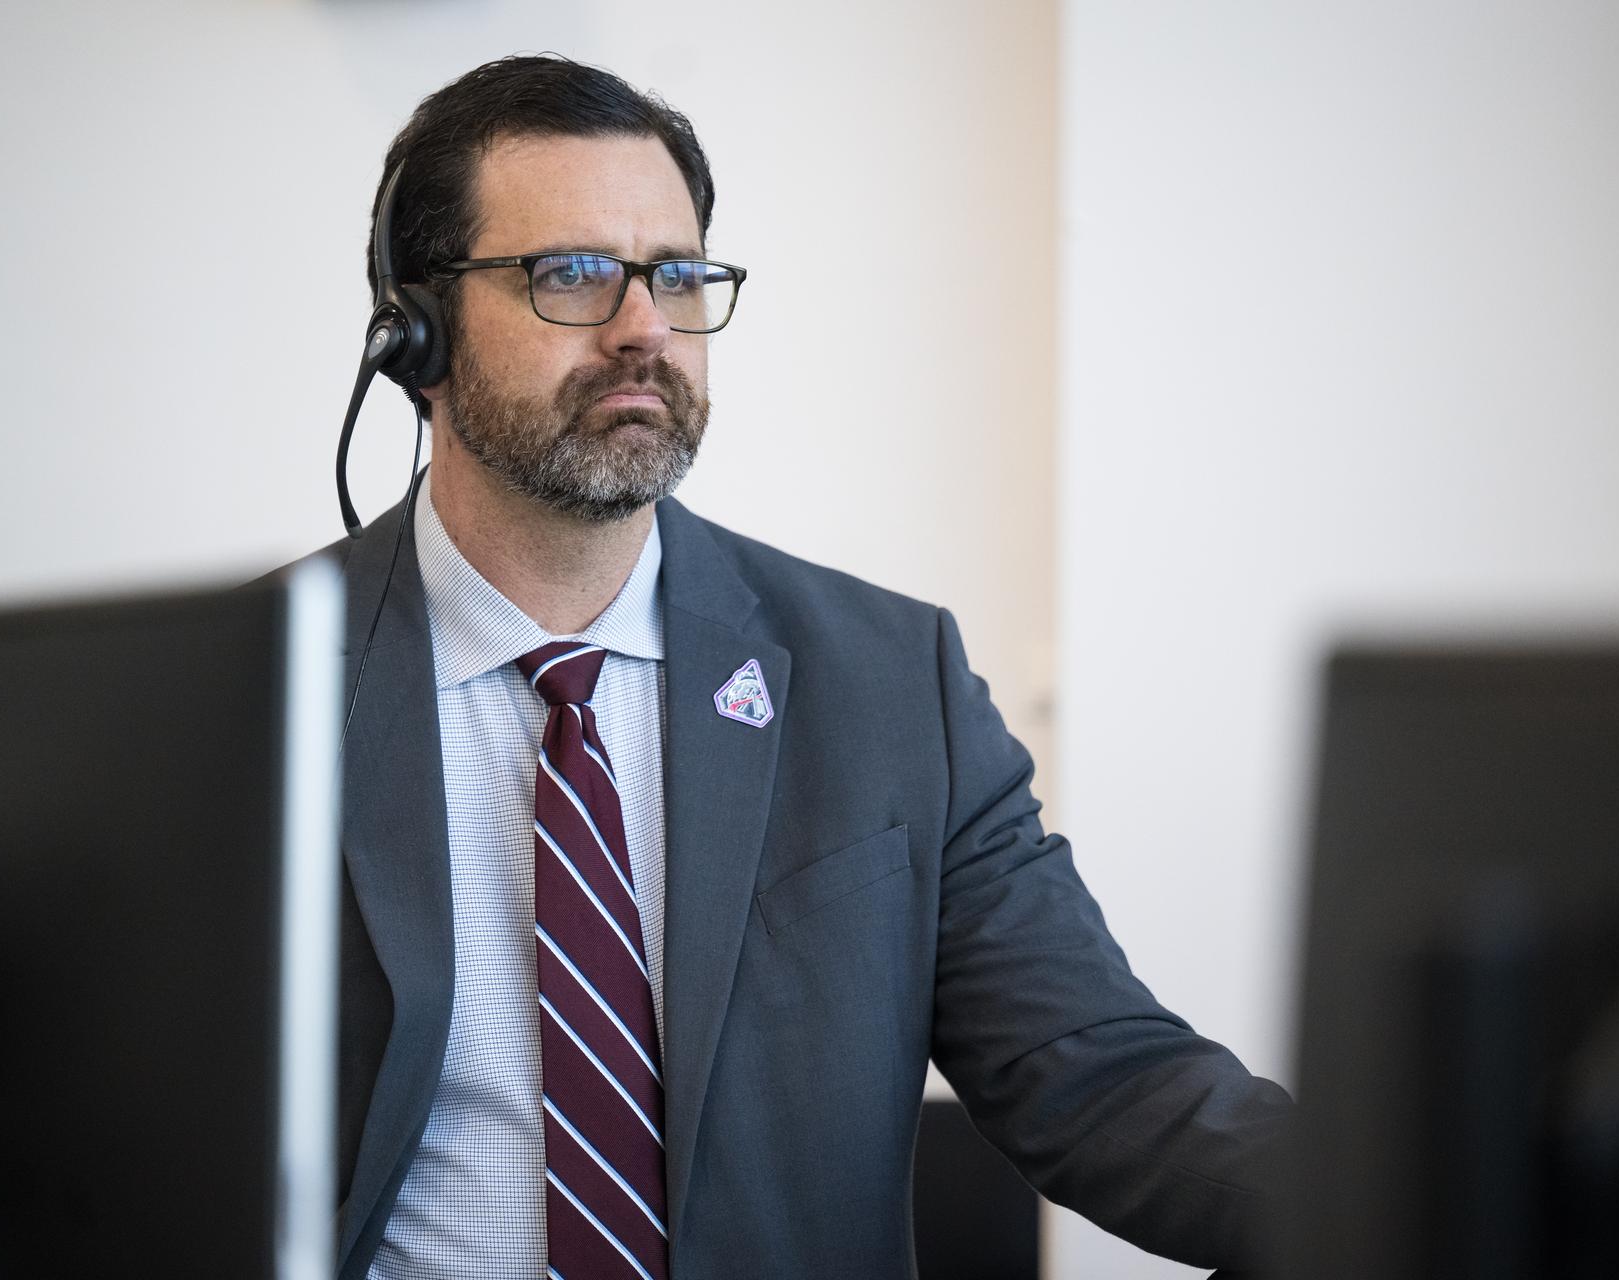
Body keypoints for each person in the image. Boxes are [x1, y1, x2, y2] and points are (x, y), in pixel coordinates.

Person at [321, 53, 1291, 1280]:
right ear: (415, 335)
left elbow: (1104, 1077)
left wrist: (1414, 1197)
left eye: (677, 276)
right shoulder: (243, 696)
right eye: (572, 274)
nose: (643, 329)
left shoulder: (888, 684)